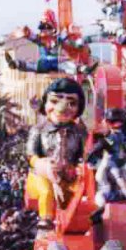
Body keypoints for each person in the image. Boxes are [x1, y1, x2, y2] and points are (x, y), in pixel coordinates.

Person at [24, 79, 88, 229]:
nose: (62, 108)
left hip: (68, 174)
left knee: (81, 189)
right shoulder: (38, 129)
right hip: (41, 174)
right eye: (54, 101)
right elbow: (30, 154)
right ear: (45, 103)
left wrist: (80, 166)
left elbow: (85, 153)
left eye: (72, 103)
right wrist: (41, 164)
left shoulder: (79, 131)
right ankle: (45, 218)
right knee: (46, 190)